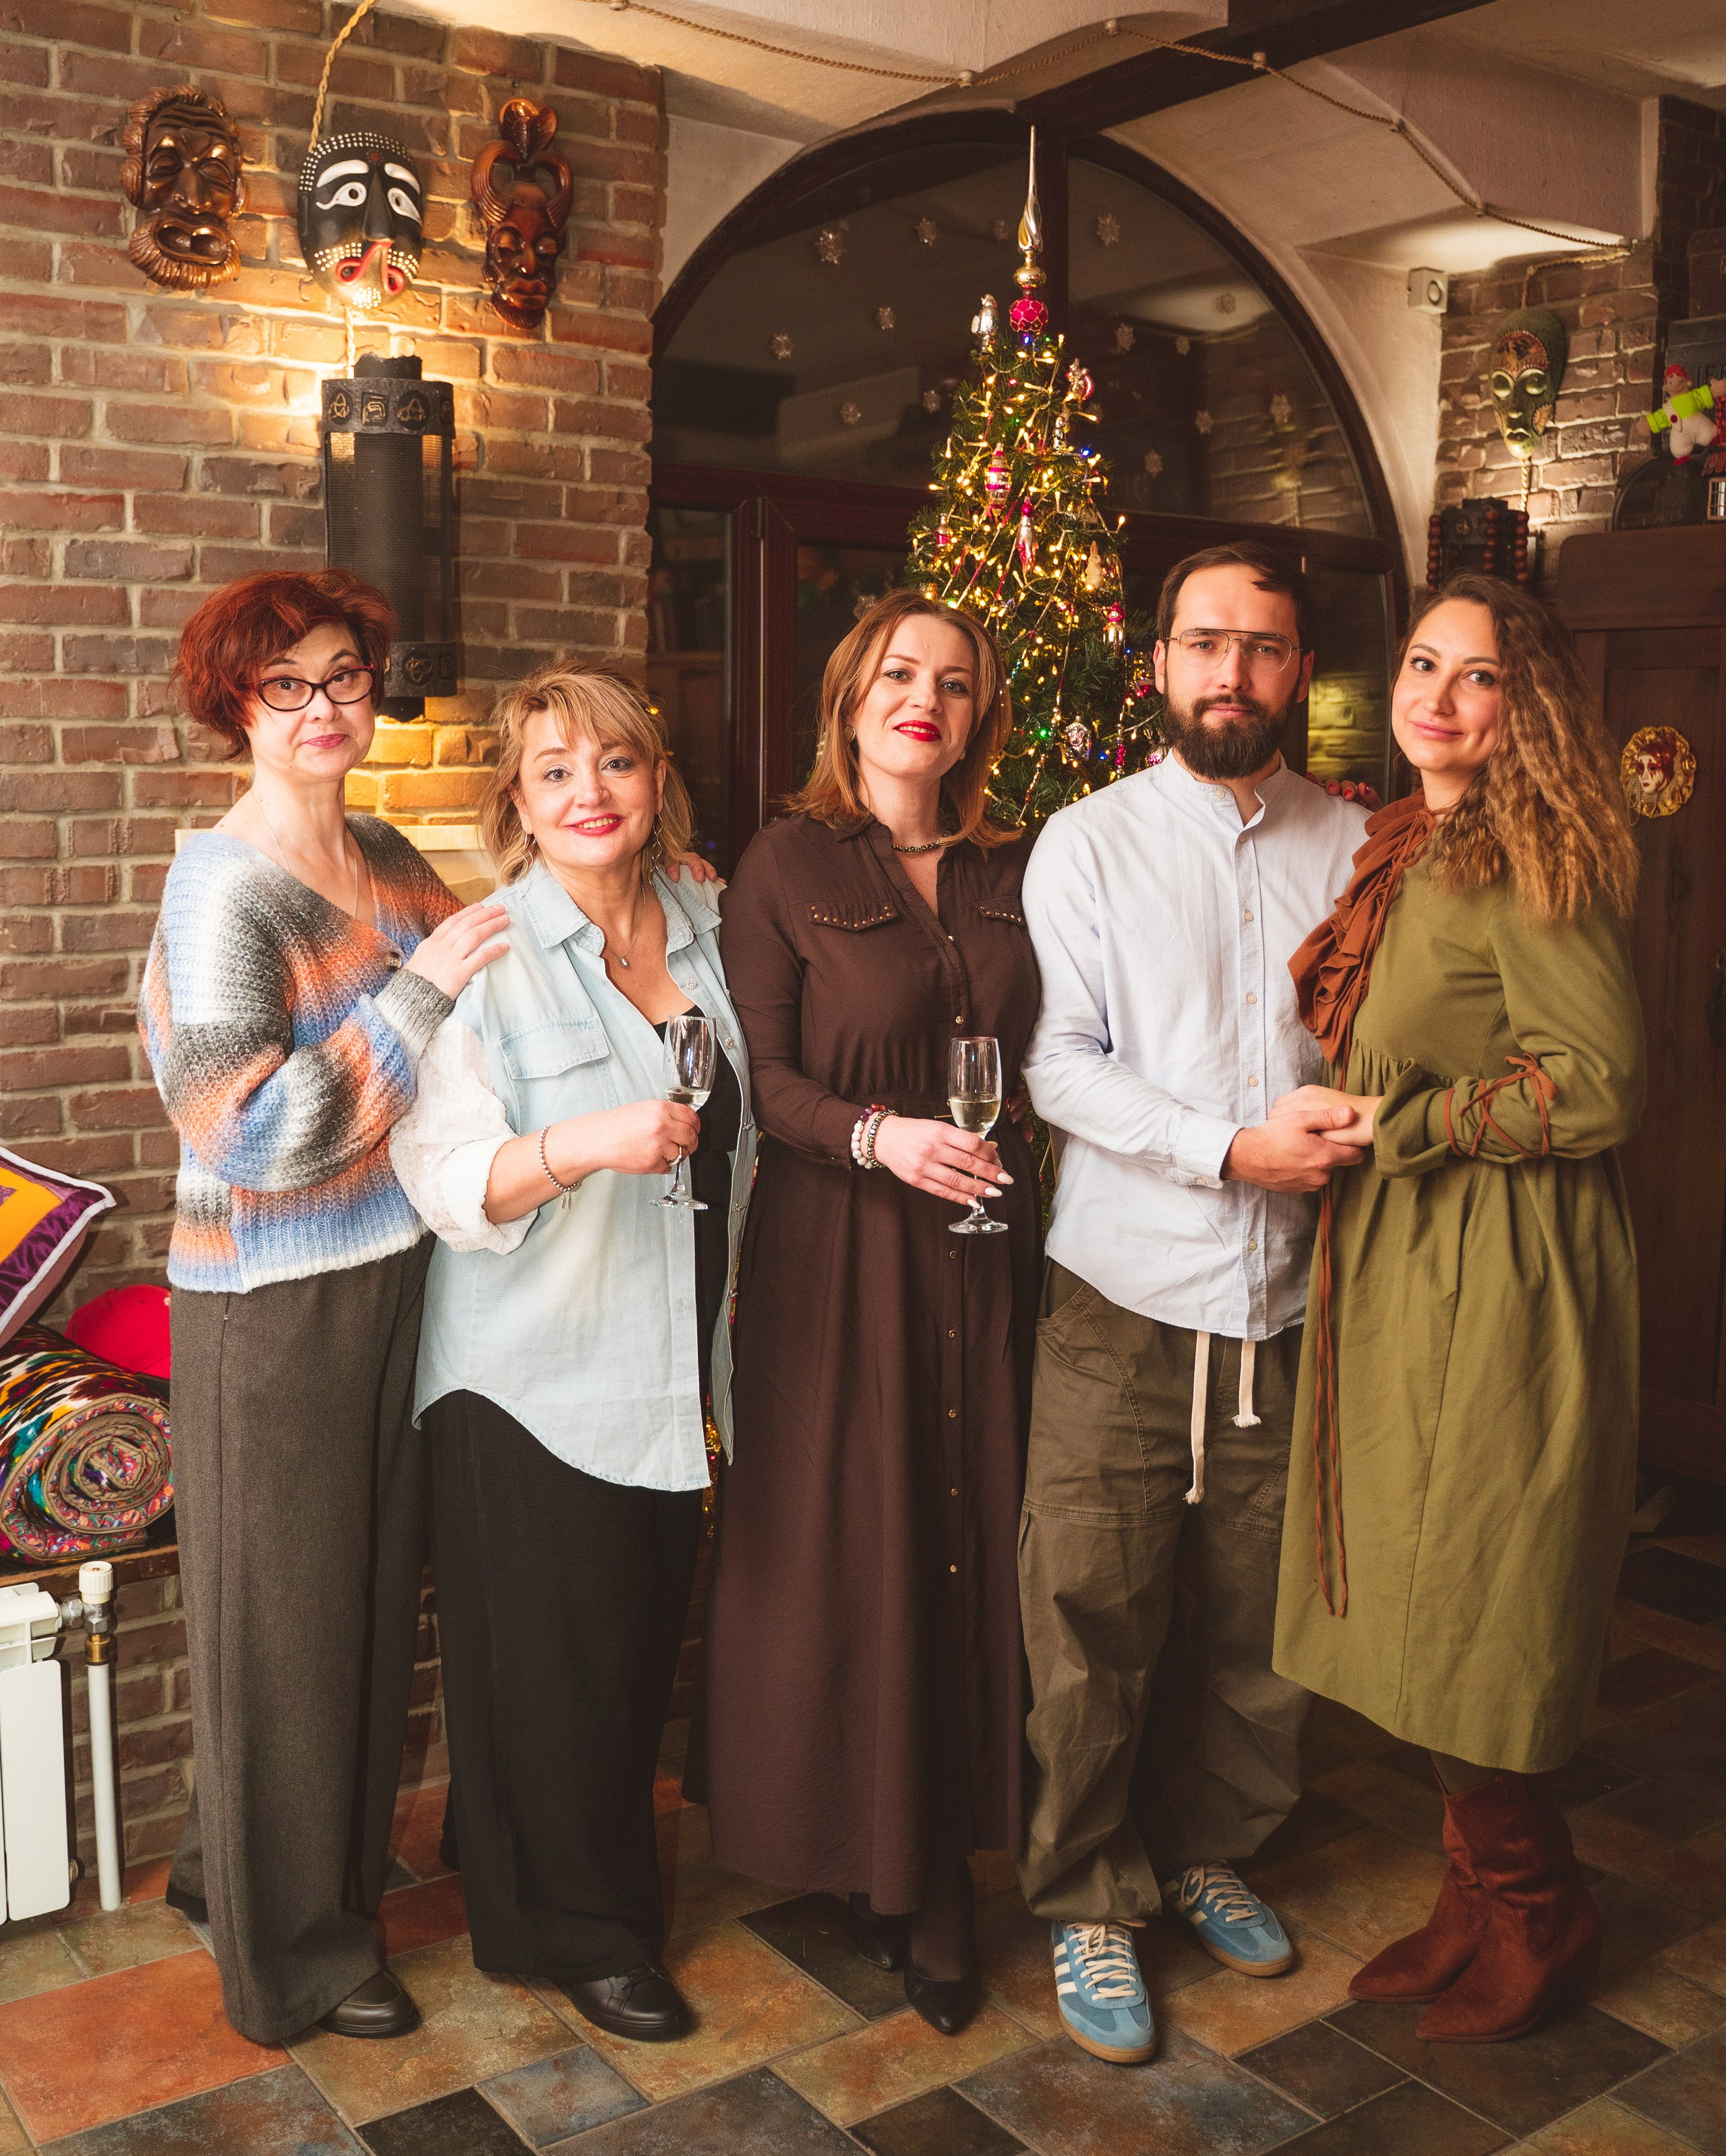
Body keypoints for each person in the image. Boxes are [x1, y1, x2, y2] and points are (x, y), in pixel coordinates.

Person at [140, 568, 508, 2046]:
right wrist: (418, 998)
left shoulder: (383, 849)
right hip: (263, 1305)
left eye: (345, 677)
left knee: (348, 1610)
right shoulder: (220, 889)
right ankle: (294, 1959)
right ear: (236, 703)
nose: (322, 708)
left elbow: (478, 984)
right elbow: (254, 1135)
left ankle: (226, 1866)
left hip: (388, 1278)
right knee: (287, 1630)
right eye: (286, 684)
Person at [1274, 573, 1644, 2043]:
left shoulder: (1524, 860)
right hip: (1401, 1251)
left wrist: (1404, 1126)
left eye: (1474, 676)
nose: (1433, 695)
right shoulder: (1409, 843)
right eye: (1420, 663)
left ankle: (1537, 1904)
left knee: (1472, 1582)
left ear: (1523, 704)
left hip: (1502, 1260)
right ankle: (1470, 1897)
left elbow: (1602, 1082)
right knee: (1413, 1579)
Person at [1016, 541, 1371, 2065]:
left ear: (1296, 672)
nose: (1232, 673)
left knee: (1253, 1609)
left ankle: (1216, 1842)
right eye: (1204, 643)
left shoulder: (1358, 847)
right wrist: (1228, 1147)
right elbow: (1057, 1065)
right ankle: (1089, 1893)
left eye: (1265, 648)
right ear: (1155, 661)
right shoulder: (1084, 845)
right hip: (1123, 1292)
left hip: (1291, 1302)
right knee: (1088, 1604)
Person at [389, 665, 753, 2044]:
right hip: (525, 1373)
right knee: (556, 1666)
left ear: (654, 784)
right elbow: (443, 1183)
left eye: (612, 763)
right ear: (518, 807)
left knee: (619, 1653)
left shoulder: (709, 925)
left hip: (671, 1365)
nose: (587, 792)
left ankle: (524, 1863)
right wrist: (578, 1145)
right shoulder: (478, 961)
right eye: (553, 772)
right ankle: (580, 1935)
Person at [694, 593, 1039, 2035]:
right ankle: (884, 1868)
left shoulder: (1017, 868)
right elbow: (760, 1082)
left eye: (953, 683)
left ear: (976, 717)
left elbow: (1056, 1046)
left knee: (973, 1533)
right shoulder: (784, 862)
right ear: (849, 700)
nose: (924, 700)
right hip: (839, 1258)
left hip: (985, 1250)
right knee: (859, 1547)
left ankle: (940, 1854)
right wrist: (876, 1139)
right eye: (898, 675)